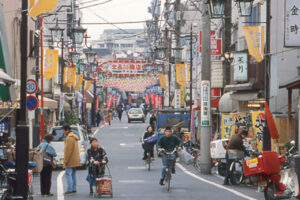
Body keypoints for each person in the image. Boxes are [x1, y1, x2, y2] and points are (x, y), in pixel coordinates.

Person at [63, 124, 81, 195]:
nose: (63, 132)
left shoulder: (69, 138)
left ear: (67, 130)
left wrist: (66, 160)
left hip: (70, 160)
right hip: (75, 159)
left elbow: (68, 151)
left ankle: (70, 190)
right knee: (73, 174)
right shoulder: (74, 136)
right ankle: (74, 189)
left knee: (68, 174)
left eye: (63, 130)